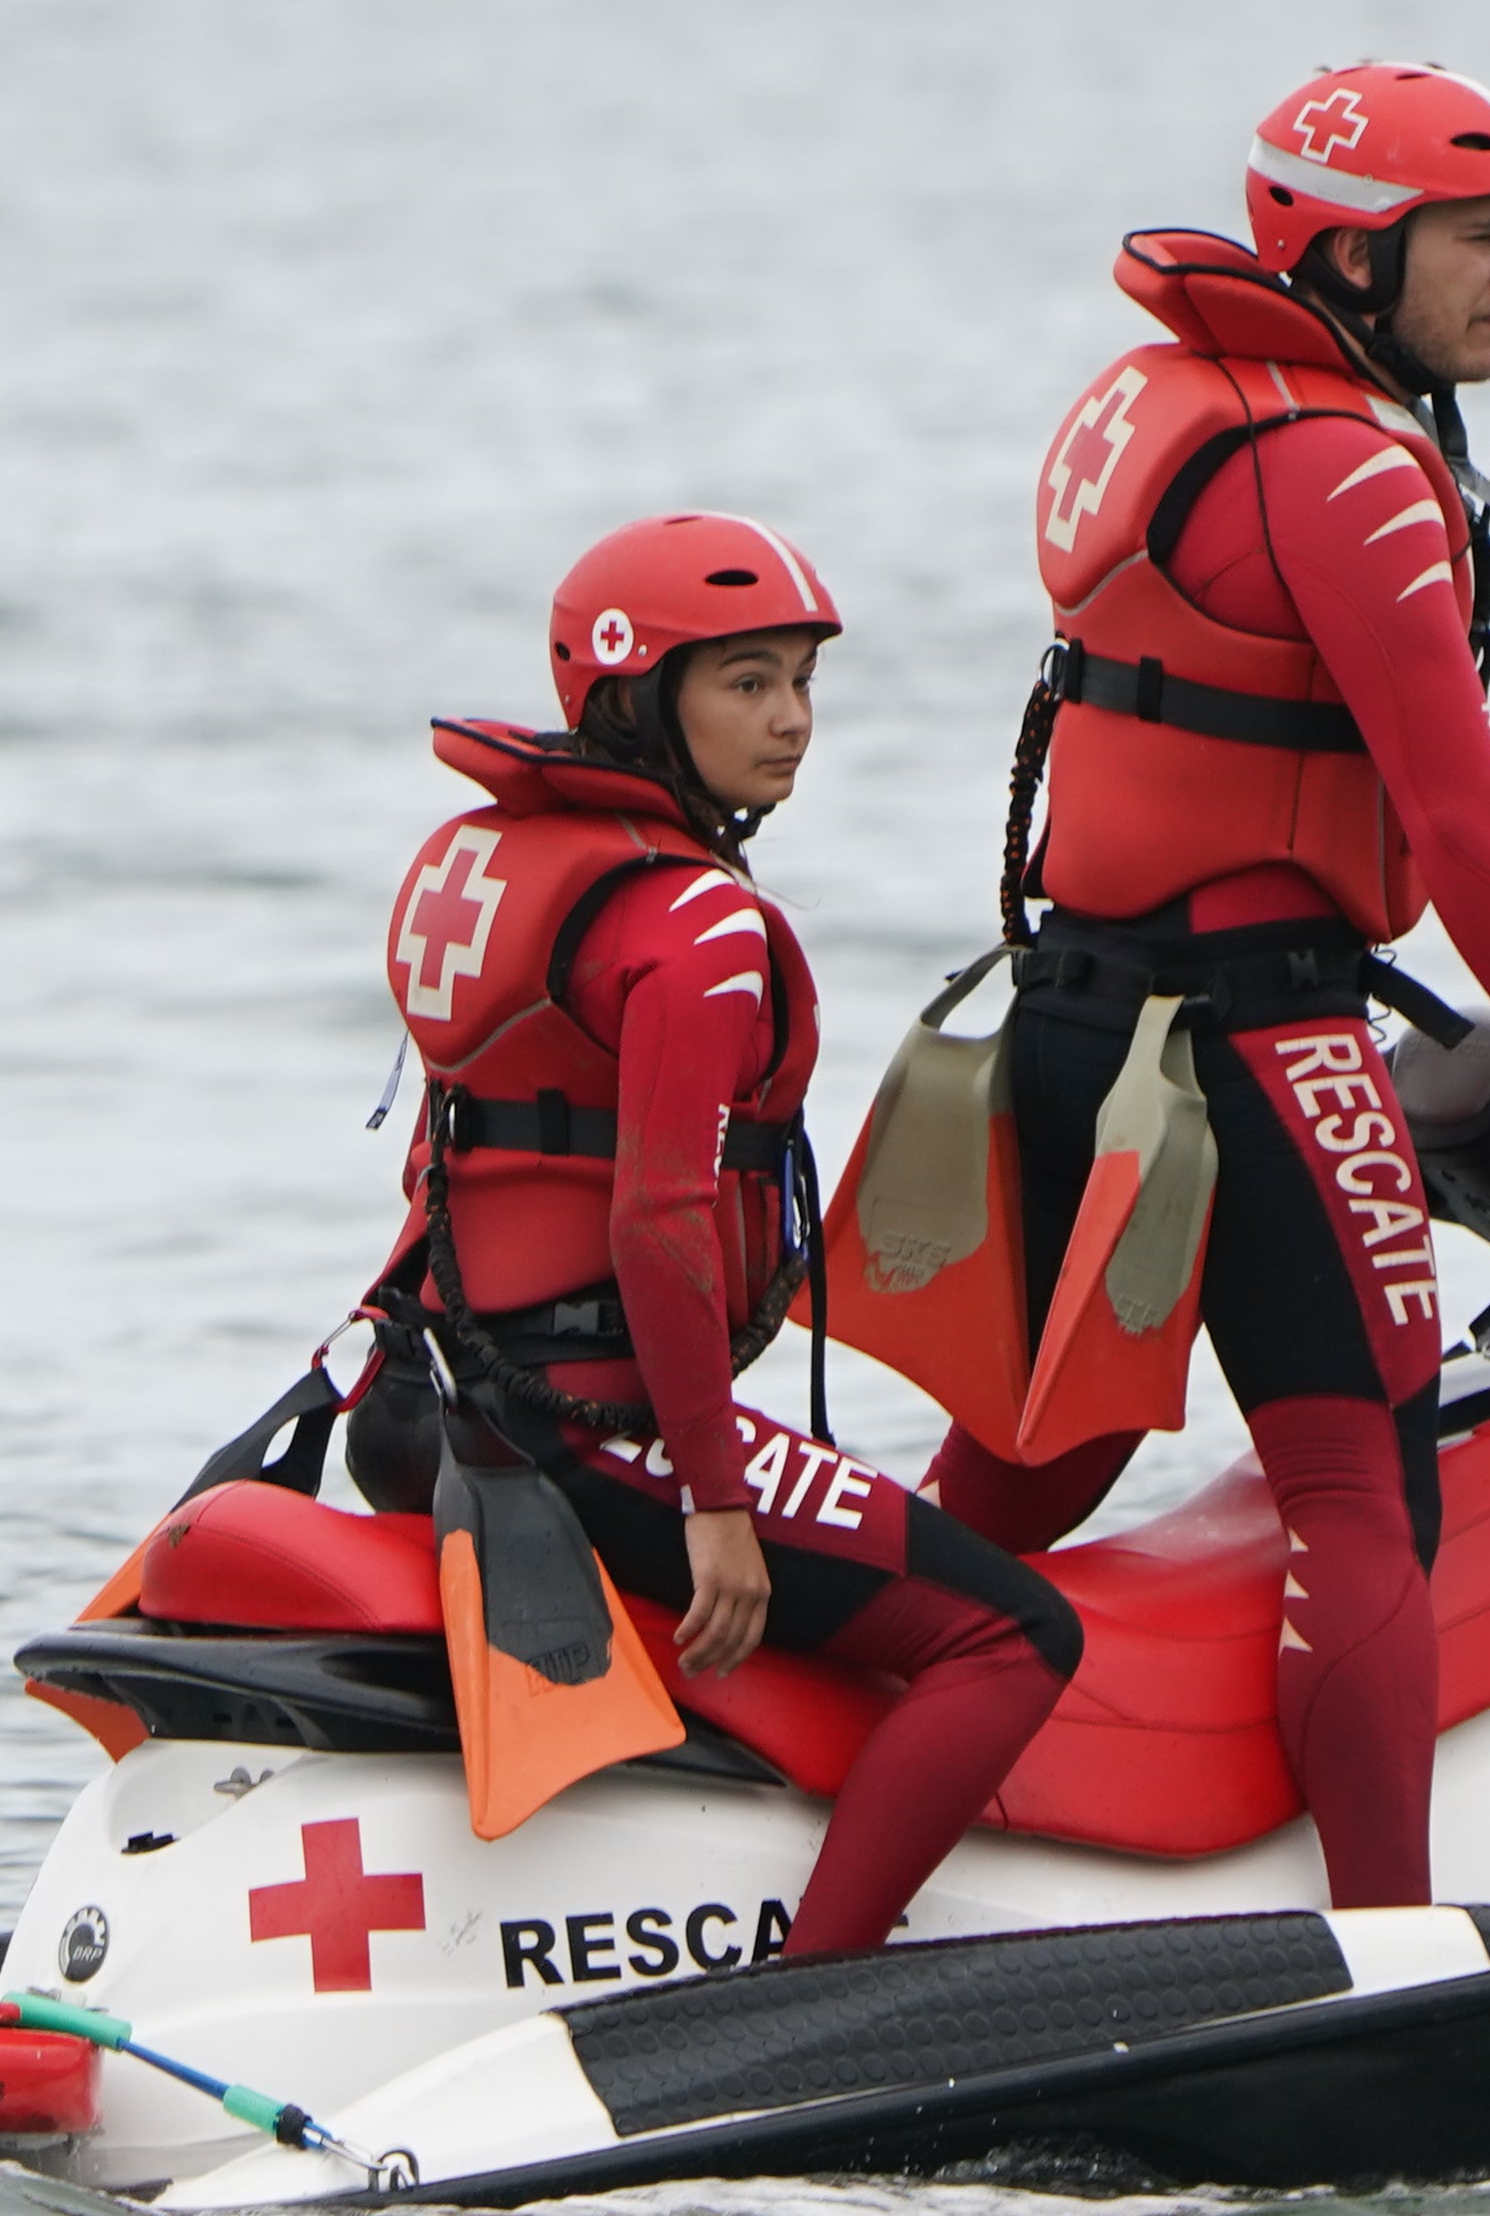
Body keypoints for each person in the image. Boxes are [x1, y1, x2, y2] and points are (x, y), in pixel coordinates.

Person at [926, 65, 1490, 1907]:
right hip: (1259, 1047)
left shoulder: (1148, 403)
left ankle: (780, 1782)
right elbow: (1465, 821)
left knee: (1029, 1466)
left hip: (1071, 1021)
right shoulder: (1351, 471)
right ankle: (1382, 1933)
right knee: (1361, 1496)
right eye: (1486, 239)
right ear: (1356, 254)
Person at [349, 514, 1079, 1961]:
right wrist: (715, 1496)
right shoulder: (696, 923)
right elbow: (659, 1218)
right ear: (638, 700)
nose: (793, 722)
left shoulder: (476, 862)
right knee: (1012, 1636)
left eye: (804, 681)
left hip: (417, 1403)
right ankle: (811, 1998)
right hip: (588, 1432)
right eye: (745, 683)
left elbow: (461, 1165)